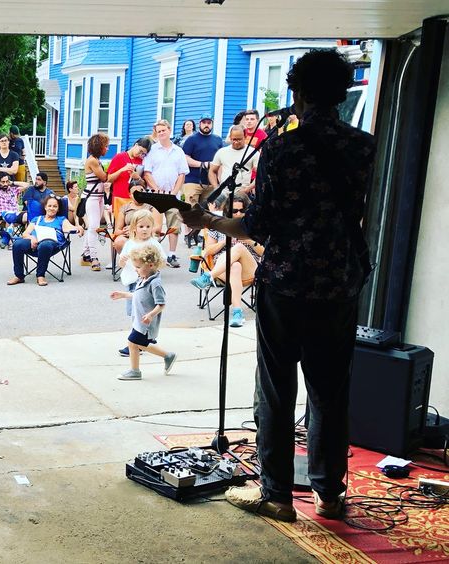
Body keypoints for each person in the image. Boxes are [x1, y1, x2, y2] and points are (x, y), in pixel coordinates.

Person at [180, 49, 375, 522]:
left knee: (276, 386)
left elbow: (259, 226)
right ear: (342, 90)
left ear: (299, 92)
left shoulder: (282, 148)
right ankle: (330, 495)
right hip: (340, 282)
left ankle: (278, 495)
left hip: (287, 281)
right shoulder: (365, 146)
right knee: (331, 389)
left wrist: (205, 218)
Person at [190, 191, 262, 328]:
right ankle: (237, 312)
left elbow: (264, 252)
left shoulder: (252, 227)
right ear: (228, 210)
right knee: (235, 267)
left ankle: (208, 277)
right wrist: (225, 242)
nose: (239, 214)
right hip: (224, 270)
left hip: (251, 269)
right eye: (235, 211)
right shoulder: (219, 226)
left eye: (242, 210)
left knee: (240, 247)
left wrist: (247, 240)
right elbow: (208, 251)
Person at [109, 244, 176, 380]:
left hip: (146, 323)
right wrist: (124, 295)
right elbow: (139, 295)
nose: (136, 270)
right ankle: (168, 356)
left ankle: (135, 371)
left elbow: (161, 304)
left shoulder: (155, 283)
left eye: (138, 267)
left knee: (132, 342)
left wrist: (151, 315)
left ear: (151, 265)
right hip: (139, 320)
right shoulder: (143, 278)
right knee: (138, 343)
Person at [7, 195, 82, 287]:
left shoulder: (61, 219)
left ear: (58, 209)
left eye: (55, 206)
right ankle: (19, 276)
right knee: (17, 244)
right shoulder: (37, 219)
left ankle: (40, 275)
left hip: (52, 244)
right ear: (45, 207)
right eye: (49, 206)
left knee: (44, 245)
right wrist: (32, 238)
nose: (52, 208)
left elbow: (69, 228)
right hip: (34, 242)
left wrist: (78, 228)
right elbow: (25, 234)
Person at [142, 120, 188, 268]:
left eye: (163, 130)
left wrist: (174, 192)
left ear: (169, 130)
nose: (161, 133)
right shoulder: (152, 150)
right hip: (155, 193)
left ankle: (171, 254)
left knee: (174, 223)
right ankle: (152, 254)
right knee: (154, 226)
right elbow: (147, 173)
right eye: (158, 131)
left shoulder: (178, 151)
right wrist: (156, 188)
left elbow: (182, 174)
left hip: (172, 193)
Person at [80, 133, 110, 270]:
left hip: (98, 197)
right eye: (106, 146)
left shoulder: (96, 159)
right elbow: (104, 177)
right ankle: (94, 257)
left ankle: (86, 255)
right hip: (92, 197)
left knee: (93, 226)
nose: (107, 149)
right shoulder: (92, 160)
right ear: (99, 147)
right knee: (94, 226)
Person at [181, 114, 225, 208]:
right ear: (199, 124)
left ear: (212, 124)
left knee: (209, 213)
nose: (206, 125)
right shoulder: (191, 139)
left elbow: (221, 162)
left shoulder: (218, 140)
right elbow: (185, 158)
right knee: (191, 212)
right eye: (204, 122)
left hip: (211, 183)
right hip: (193, 181)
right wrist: (202, 164)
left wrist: (220, 181)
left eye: (209, 123)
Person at [209, 125, 260, 198]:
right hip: (224, 193)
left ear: (245, 137)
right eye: (234, 139)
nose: (236, 142)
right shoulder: (222, 152)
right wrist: (216, 187)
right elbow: (212, 171)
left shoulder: (253, 153)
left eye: (239, 139)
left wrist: (248, 189)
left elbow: (260, 174)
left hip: (242, 193)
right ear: (230, 138)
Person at [106, 137, 152, 206]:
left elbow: (144, 184)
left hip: (135, 199)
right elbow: (109, 179)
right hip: (119, 198)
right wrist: (122, 169)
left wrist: (138, 177)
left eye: (143, 154)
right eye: (140, 151)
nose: (140, 154)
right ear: (136, 145)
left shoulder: (141, 161)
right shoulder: (119, 157)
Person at [0, 173, 25, 247]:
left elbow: (27, 185)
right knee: (9, 217)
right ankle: (10, 242)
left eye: (7, 181)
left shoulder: (13, 190)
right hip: (1, 216)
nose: (5, 184)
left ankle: (27, 240)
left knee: (28, 216)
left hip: (15, 214)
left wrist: (12, 182)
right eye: (3, 182)